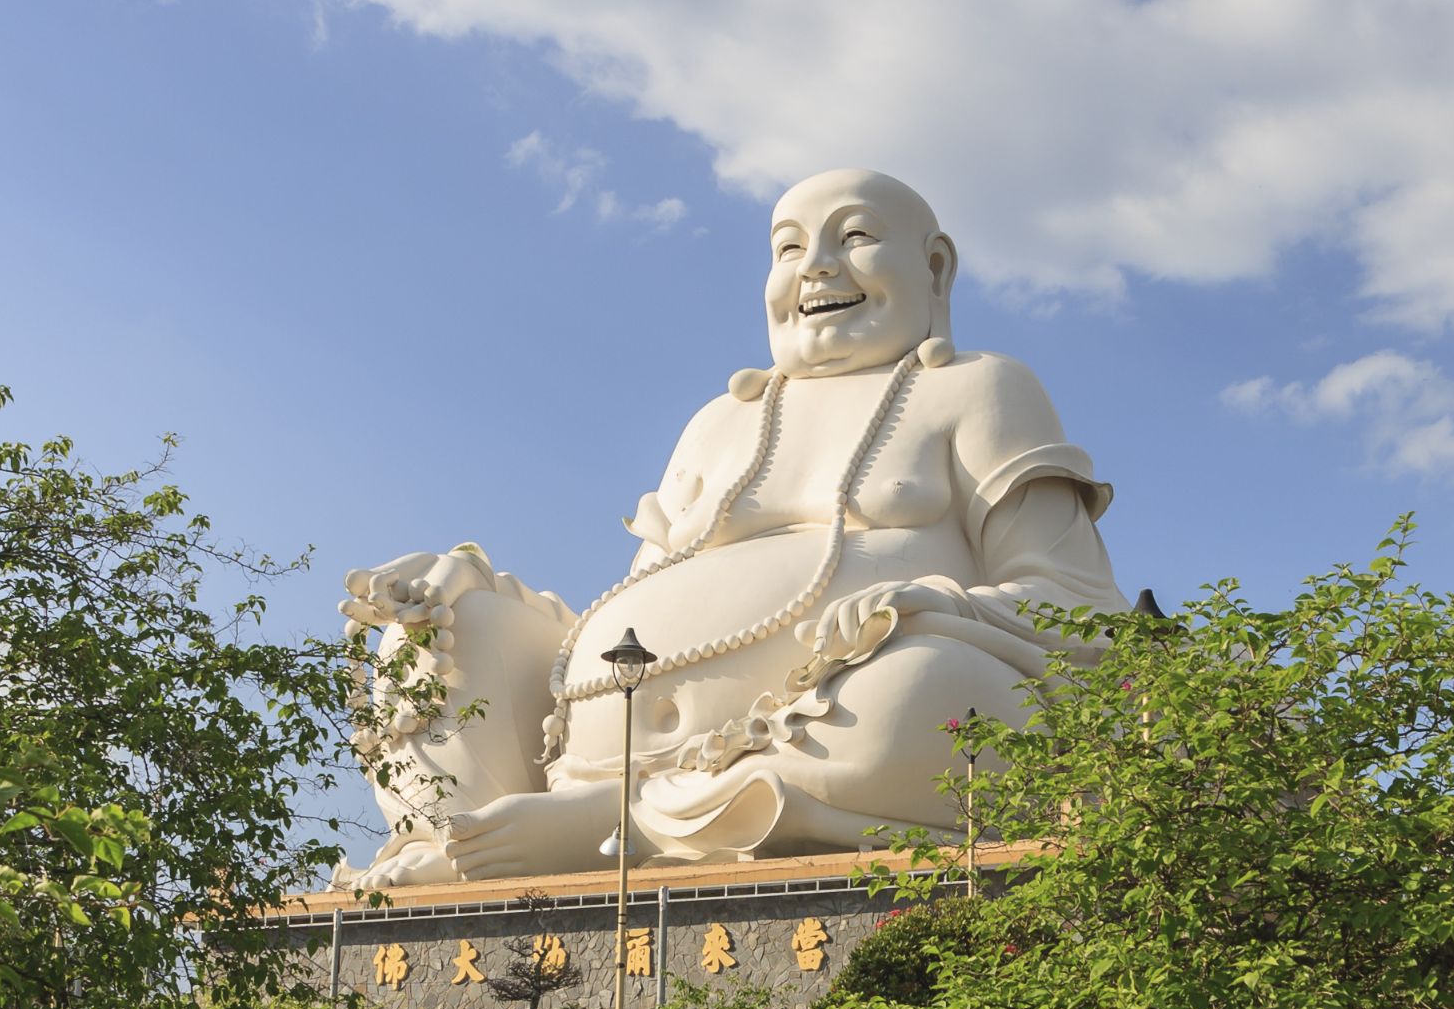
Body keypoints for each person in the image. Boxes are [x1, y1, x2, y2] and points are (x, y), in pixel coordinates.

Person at [343, 167, 1124, 884]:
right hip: (593, 754)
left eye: (854, 236)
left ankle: (618, 828)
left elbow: (1080, 607)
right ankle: (456, 837)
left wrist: (930, 603)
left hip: (832, 726)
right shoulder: (720, 421)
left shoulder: (978, 388)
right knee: (441, 623)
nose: (818, 267)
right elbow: (635, 600)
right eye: (790, 248)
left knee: (923, 692)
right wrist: (472, 588)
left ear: (936, 268)